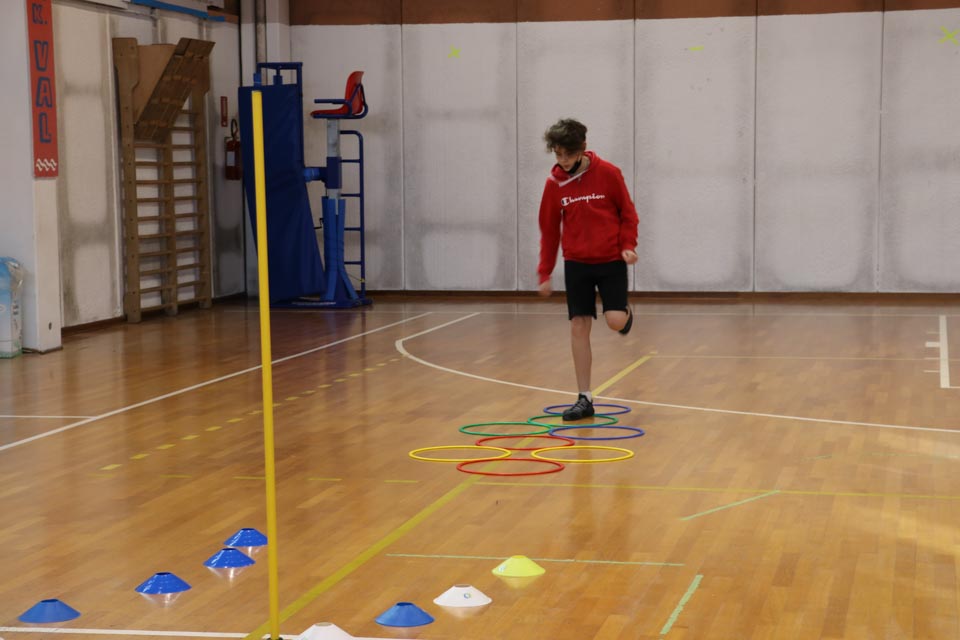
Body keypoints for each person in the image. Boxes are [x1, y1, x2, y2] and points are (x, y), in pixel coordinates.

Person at [537, 118, 639, 421]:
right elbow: (549, 231)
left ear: (582, 148)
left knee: (615, 321)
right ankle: (584, 397)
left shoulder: (608, 173)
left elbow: (628, 213)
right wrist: (545, 272)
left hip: (610, 261)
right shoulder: (554, 184)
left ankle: (625, 313)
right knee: (578, 326)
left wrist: (628, 244)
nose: (563, 161)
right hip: (577, 263)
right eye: (558, 154)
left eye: (568, 154)